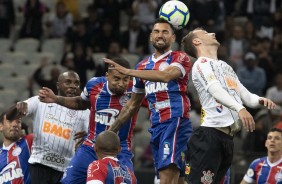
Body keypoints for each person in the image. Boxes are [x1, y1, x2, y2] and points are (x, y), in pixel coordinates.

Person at [181, 27, 276, 183]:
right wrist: (240, 109)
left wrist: (259, 100)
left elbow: (246, 95)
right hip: (210, 136)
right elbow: (214, 88)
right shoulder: (201, 64)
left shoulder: (226, 67)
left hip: (227, 139)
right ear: (197, 41)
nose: (212, 33)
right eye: (206, 33)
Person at [104, 18, 193, 184]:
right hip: (157, 127)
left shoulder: (180, 58)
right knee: (177, 179)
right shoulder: (142, 66)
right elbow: (132, 105)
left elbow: (166, 76)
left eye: (165, 32)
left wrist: (129, 71)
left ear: (173, 38)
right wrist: (111, 130)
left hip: (175, 122)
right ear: (151, 36)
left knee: (166, 179)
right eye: (156, 31)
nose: (160, 35)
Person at [38, 57, 138, 184]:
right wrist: (56, 98)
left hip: (120, 150)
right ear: (107, 75)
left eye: (125, 79)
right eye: (116, 79)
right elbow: (81, 103)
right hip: (91, 145)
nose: (121, 83)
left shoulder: (136, 91)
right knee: (68, 181)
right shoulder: (94, 84)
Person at [8, 71, 90, 184]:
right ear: (58, 85)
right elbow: (9, 116)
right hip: (39, 165)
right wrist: (17, 106)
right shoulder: (40, 101)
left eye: (76, 83)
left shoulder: (85, 112)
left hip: (66, 169)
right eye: (68, 82)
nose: (73, 85)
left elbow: (93, 137)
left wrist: (88, 135)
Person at [0, 109, 33, 184]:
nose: (15, 124)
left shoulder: (29, 142)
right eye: (10, 121)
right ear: (1, 126)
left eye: (18, 121)